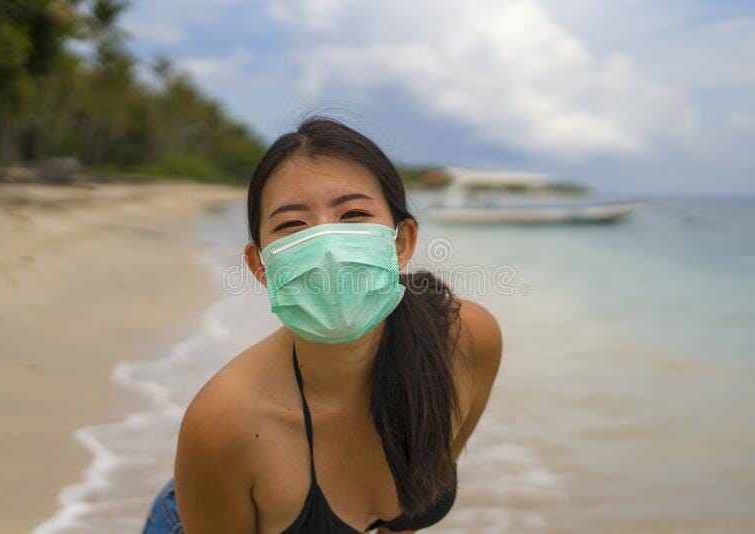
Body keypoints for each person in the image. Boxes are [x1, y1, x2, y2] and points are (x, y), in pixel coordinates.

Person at [143, 116, 502, 533]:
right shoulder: (223, 425)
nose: (327, 247)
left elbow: (407, 518)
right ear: (260, 265)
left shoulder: (467, 341)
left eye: (352, 214)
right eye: (292, 224)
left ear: (401, 243)